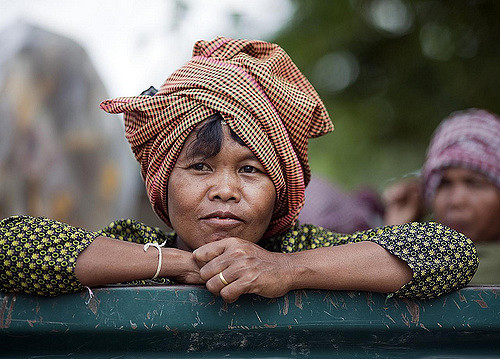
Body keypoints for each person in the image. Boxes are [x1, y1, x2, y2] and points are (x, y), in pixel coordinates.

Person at [0, 37, 478, 301]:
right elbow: (10, 247)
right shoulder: (134, 250)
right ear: (162, 180)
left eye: (250, 170)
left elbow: (451, 252)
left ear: (282, 187)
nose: (225, 190)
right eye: (201, 167)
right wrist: (184, 265)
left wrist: (286, 270)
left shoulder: (308, 248)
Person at [383, 108, 500, 283]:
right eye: (444, 184)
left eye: (474, 183)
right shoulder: (426, 257)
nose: (456, 201)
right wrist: (396, 232)